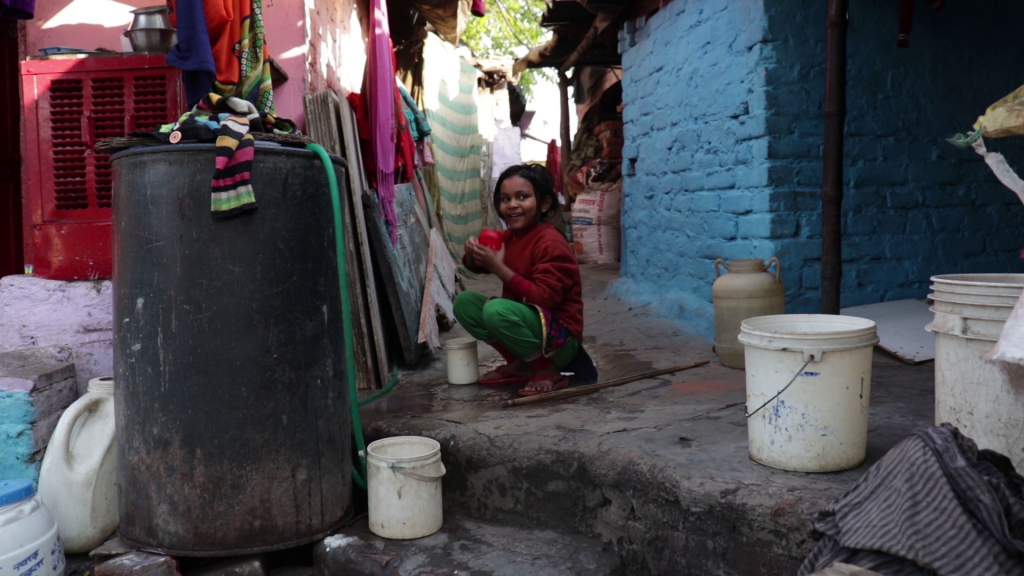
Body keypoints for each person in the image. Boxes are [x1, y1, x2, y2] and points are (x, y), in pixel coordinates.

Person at [453, 164, 591, 396]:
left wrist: (498, 267)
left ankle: (546, 369)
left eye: (523, 197)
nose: (512, 205)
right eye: (505, 199)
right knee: (465, 303)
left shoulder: (550, 242)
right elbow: (473, 266)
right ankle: (520, 363)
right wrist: (473, 253)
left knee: (496, 310)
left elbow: (546, 297)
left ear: (544, 204)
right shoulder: (509, 237)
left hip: (559, 341)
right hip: (531, 327)